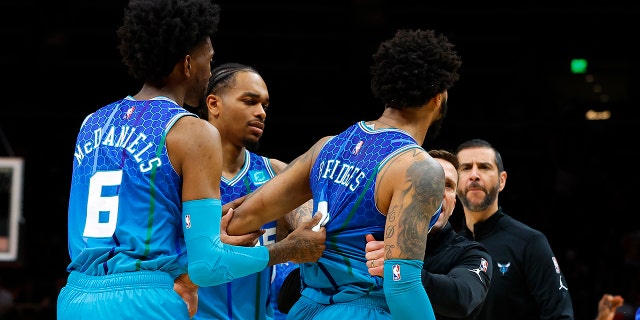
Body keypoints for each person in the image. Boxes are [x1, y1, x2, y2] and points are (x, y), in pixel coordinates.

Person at [57, 1, 326, 319]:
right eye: (208, 61)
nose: (209, 72)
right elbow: (208, 266)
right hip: (145, 301)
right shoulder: (191, 130)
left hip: (75, 297)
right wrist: (288, 250)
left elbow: (136, 217)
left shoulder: (92, 123)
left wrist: (207, 229)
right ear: (187, 65)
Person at [226, 28, 463, 320]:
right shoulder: (419, 168)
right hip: (365, 308)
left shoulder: (329, 145)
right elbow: (403, 286)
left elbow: (240, 221)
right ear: (438, 98)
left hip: (307, 308)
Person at [191, 63, 309, 320]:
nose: (261, 113)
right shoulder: (183, 174)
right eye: (249, 101)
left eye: (264, 106)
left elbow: (313, 226)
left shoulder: (277, 173)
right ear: (213, 104)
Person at [363, 149, 492, 319]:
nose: (437, 191)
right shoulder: (372, 240)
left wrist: (399, 269)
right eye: (428, 179)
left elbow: (462, 298)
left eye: (448, 185)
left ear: (453, 204)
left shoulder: (472, 253)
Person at [455, 138, 574, 319]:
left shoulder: (530, 242)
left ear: (502, 181)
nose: (474, 175)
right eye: (465, 168)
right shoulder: (449, 247)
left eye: (484, 167)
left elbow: (560, 315)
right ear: (454, 181)